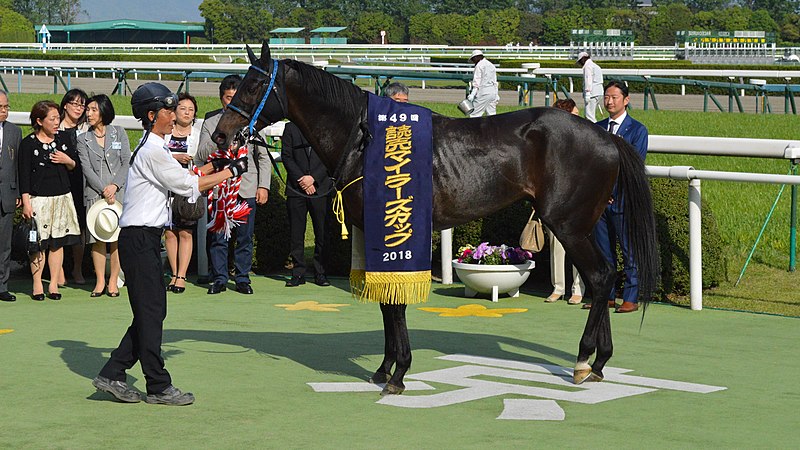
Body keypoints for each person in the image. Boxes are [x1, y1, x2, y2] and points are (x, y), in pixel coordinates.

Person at [92, 82, 248, 405]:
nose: (174, 113)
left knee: (152, 311)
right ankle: (158, 386)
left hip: (142, 239)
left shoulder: (157, 147)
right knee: (152, 312)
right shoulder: (152, 151)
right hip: (139, 238)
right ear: (152, 115)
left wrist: (217, 165)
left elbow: (186, 174)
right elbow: (188, 184)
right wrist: (231, 171)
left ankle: (113, 372)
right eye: (167, 109)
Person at [195, 74, 271, 295]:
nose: (232, 102)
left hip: (246, 187)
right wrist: (220, 138)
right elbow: (200, 155)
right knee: (218, 236)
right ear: (221, 98)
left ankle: (243, 278)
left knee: (245, 237)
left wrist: (263, 186)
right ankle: (219, 277)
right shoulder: (211, 122)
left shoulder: (253, 122)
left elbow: (263, 157)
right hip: (219, 189)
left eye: (235, 97)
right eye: (228, 98)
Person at [589, 80, 649, 314]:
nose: (609, 101)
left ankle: (631, 297)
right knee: (603, 251)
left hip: (624, 200)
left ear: (626, 100)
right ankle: (606, 296)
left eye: (614, 97)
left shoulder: (637, 130)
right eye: (606, 97)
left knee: (629, 250)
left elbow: (633, 166)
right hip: (600, 203)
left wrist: (612, 193)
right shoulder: (597, 128)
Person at [19, 100, 81, 301]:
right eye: (52, 119)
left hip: (62, 197)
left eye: (58, 118)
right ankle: (37, 283)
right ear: (39, 120)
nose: (56, 123)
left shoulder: (64, 139)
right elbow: (24, 175)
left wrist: (67, 161)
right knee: (38, 244)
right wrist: (26, 202)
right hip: (38, 200)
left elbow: (75, 165)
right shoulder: (28, 144)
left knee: (57, 244)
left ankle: (54, 283)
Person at [77, 94, 130, 298]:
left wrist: (115, 186)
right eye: (87, 110)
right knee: (97, 238)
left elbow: (126, 161)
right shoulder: (83, 139)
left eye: (93, 109)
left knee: (116, 238)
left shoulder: (120, 133)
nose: (88, 113)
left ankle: (113, 281)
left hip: (118, 193)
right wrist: (103, 189)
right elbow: (86, 168)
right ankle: (99, 281)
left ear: (104, 111)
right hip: (94, 193)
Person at [282, 122, 332, 287]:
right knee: (296, 233)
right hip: (296, 189)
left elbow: (329, 155)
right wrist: (302, 180)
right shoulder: (291, 128)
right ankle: (298, 272)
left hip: (320, 188)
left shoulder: (324, 126)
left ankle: (321, 272)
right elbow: (286, 156)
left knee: (322, 232)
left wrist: (313, 179)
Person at [545, 98, 585, 305]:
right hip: (555, 201)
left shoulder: (584, 141)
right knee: (556, 245)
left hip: (577, 202)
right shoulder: (551, 144)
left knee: (577, 244)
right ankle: (558, 287)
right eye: (575, 115)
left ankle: (578, 288)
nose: (580, 119)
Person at [164, 93, 202, 294]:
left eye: (191, 110)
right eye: (183, 108)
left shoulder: (197, 135)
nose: (187, 113)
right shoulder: (165, 133)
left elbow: (204, 159)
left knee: (186, 232)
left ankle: (182, 275)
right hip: (166, 189)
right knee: (170, 232)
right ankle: (173, 272)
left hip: (187, 188)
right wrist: (174, 157)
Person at [59, 88, 89, 286]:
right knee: (59, 228)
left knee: (80, 228)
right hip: (59, 184)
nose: (79, 108)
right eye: (75, 104)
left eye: (82, 105)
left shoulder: (87, 130)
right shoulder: (55, 128)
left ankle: (77, 269)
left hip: (81, 184)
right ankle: (58, 270)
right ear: (65, 105)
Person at [0, 91, 22, 302]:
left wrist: (18, 192)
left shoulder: (14, 131)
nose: (4, 111)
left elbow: (17, 165)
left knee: (4, 244)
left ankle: (2, 285)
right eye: (0, 107)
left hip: (7, 194)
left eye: (6, 106)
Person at [467, 49, 499, 118]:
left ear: (476, 57)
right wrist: (496, 94)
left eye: (473, 60)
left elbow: (476, 82)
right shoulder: (491, 65)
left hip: (483, 92)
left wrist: (472, 94)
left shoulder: (479, 66)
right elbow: (495, 81)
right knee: (492, 115)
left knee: (475, 114)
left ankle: (474, 128)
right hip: (492, 92)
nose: (473, 62)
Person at [577, 51, 604, 123]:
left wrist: (587, 93)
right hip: (599, 92)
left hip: (592, 93)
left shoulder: (588, 66)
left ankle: (594, 131)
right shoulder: (595, 65)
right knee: (591, 114)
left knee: (589, 116)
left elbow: (588, 79)